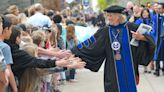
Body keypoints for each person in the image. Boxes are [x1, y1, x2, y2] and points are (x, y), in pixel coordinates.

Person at [71, 5, 155, 92]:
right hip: (112, 71)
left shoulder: (132, 28)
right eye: (107, 15)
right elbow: (91, 43)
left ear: (118, 16)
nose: (108, 18)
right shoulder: (105, 31)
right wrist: (74, 51)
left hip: (130, 69)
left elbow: (151, 40)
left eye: (110, 15)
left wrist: (142, 38)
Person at [0, 16, 18, 92]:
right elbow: (8, 70)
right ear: (6, 29)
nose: (11, 32)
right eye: (10, 29)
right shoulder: (4, 47)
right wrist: (15, 89)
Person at [152, 3, 164, 76]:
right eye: (157, 8)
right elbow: (154, 28)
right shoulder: (155, 17)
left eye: (159, 8)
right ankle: (157, 70)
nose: (157, 10)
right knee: (157, 53)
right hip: (158, 38)